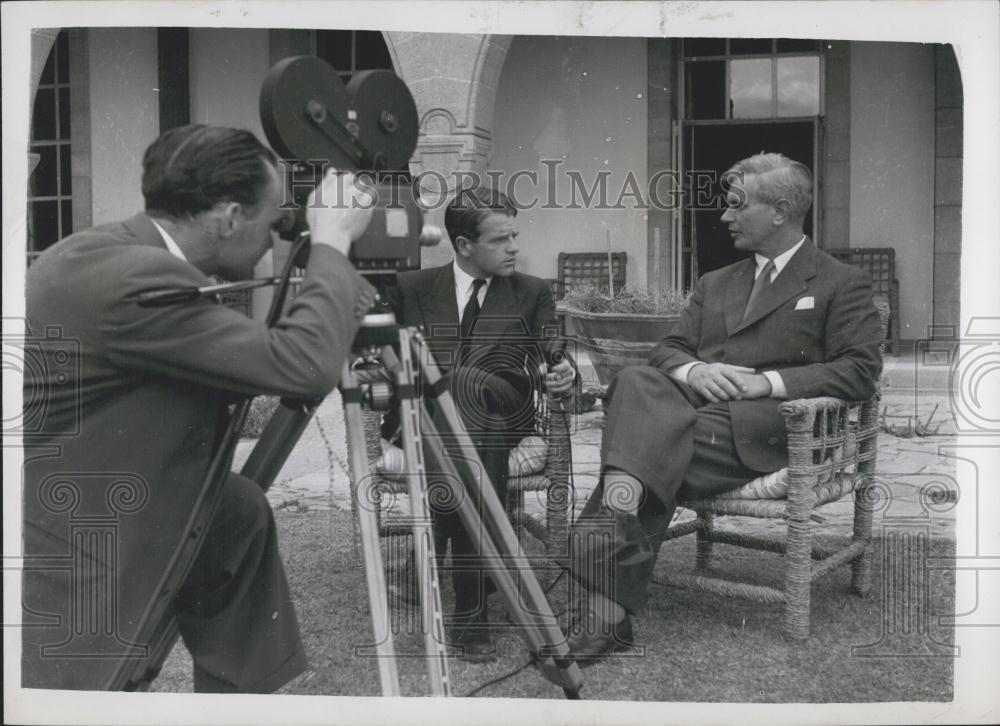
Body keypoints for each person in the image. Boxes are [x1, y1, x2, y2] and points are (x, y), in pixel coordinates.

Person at [21, 124, 376, 692]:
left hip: (109, 498)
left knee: (236, 513)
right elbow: (299, 365)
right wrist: (331, 243)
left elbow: (253, 361)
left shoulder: (111, 252)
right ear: (230, 217)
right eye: (272, 218)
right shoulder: (136, 278)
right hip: (76, 559)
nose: (275, 237)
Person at [565, 153, 883, 665]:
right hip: (691, 418)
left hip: (768, 431)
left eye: (737, 205)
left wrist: (766, 383)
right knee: (633, 380)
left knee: (646, 444)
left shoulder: (839, 282)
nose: (724, 216)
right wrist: (695, 372)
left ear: (780, 210)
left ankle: (606, 589)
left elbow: (860, 370)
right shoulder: (716, 282)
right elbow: (667, 349)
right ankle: (609, 604)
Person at [381, 186, 575, 661]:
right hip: (427, 419)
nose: (513, 248)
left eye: (514, 235)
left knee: (467, 387)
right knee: (461, 412)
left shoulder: (532, 291)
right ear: (464, 246)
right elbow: (384, 357)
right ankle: (479, 587)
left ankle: (453, 586)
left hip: (503, 409)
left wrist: (562, 367)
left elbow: (552, 346)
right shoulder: (411, 288)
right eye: (499, 239)